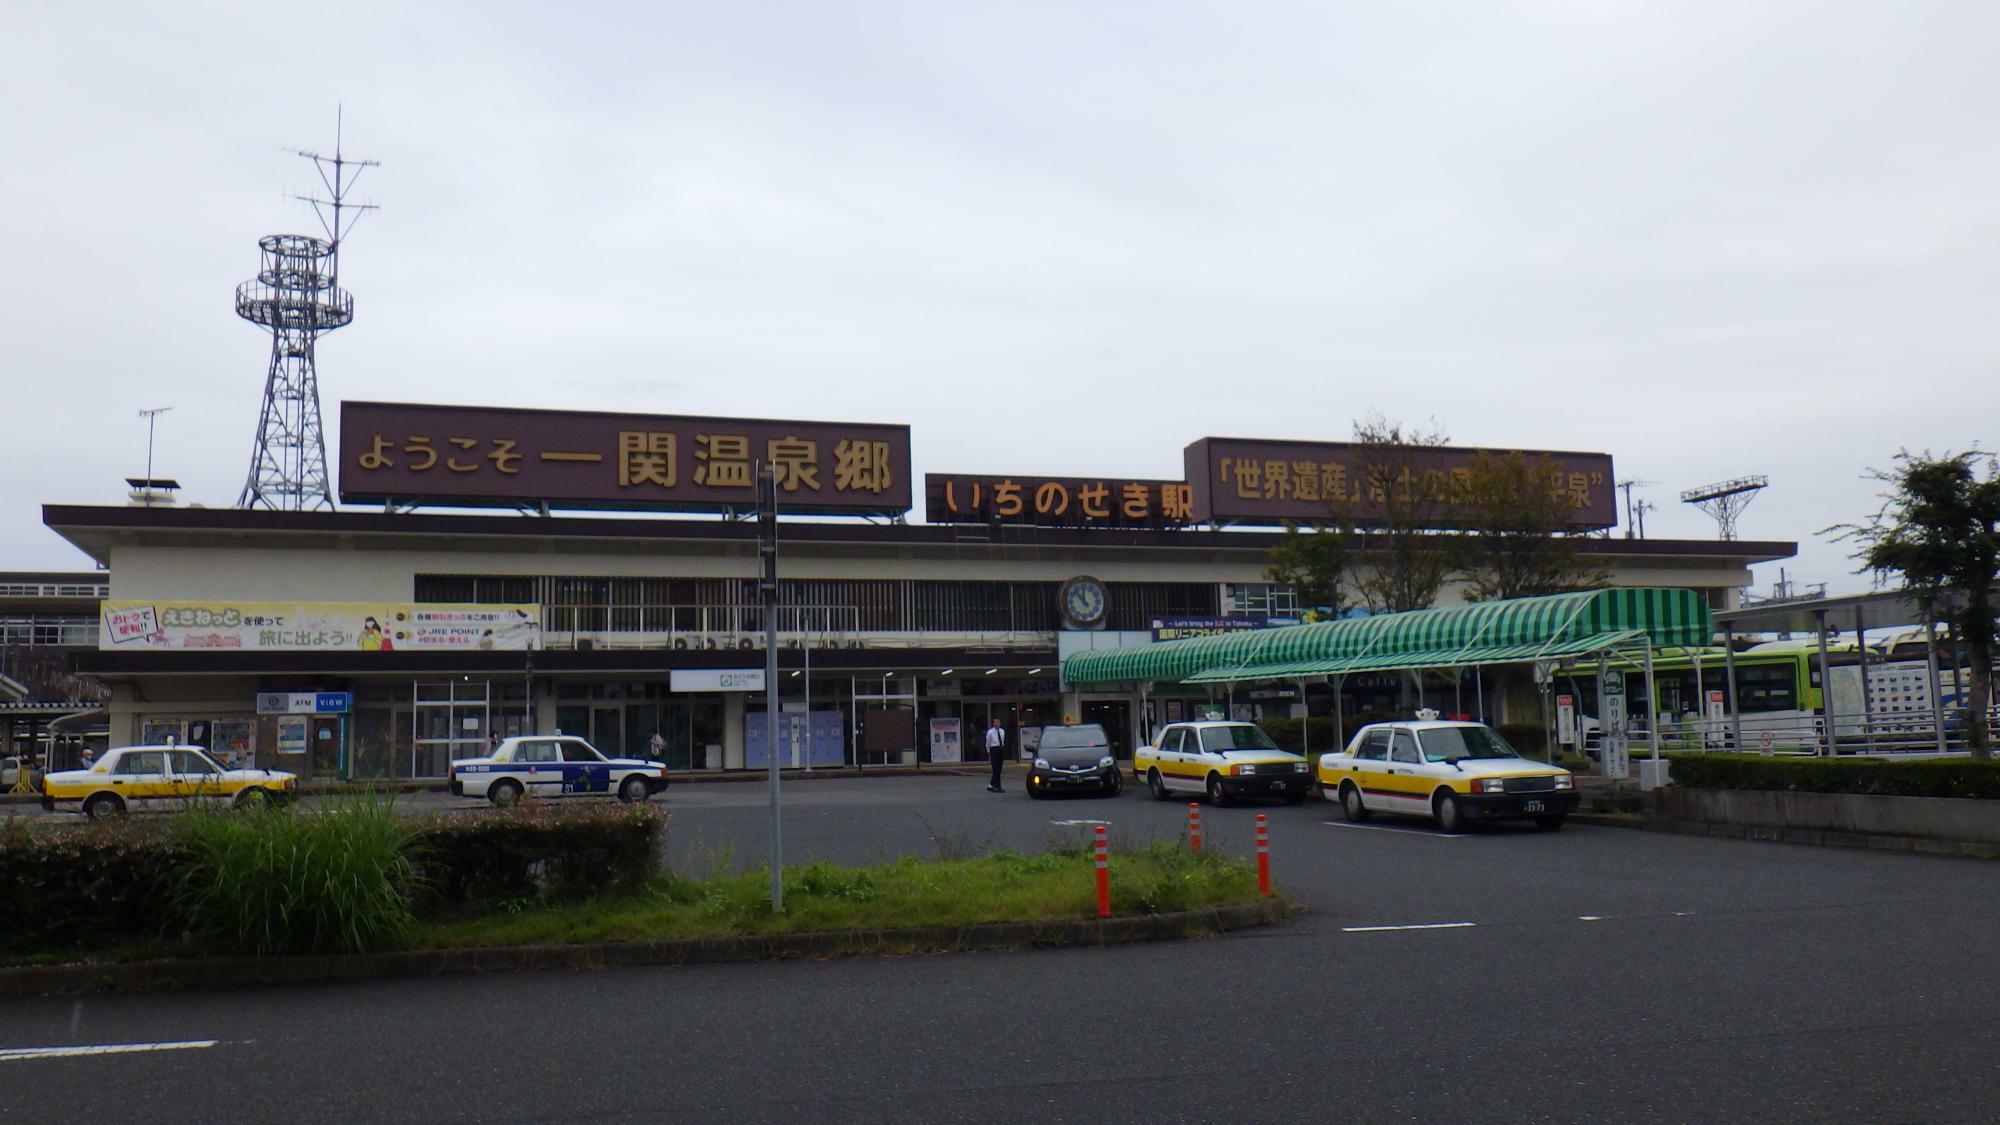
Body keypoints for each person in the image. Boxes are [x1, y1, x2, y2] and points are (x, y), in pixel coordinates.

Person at [985, 718, 1007, 793]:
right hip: (994, 750)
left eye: (998, 722)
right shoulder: (990, 732)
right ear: (993, 724)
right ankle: (998, 786)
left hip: (1000, 749)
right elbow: (988, 743)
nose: (997, 724)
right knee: (995, 769)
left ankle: (991, 785)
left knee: (999, 768)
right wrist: (989, 751)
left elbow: (1002, 741)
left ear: (1000, 723)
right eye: (995, 723)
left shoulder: (1002, 731)